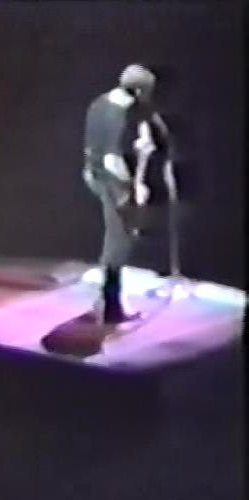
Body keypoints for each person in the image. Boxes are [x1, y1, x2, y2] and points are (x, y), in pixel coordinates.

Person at [82, 63, 173, 324]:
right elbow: (112, 160)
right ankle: (110, 307)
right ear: (139, 91)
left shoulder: (100, 102)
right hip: (113, 182)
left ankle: (106, 301)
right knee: (118, 242)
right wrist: (133, 187)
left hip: (94, 175)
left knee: (118, 237)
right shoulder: (118, 116)